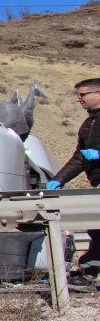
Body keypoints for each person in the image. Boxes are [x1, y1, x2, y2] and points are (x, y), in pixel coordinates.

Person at [48, 78, 100, 278]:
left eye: (83, 94)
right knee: (97, 229)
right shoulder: (89, 124)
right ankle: (88, 273)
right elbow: (80, 157)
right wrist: (59, 179)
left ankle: (88, 272)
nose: (79, 99)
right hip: (97, 184)